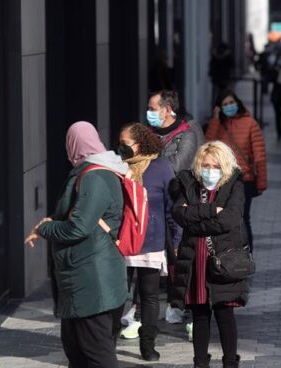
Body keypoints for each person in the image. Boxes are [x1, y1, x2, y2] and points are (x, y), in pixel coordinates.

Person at [24, 121, 128, 367]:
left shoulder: (95, 176)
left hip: (92, 283)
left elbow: (78, 227)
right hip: (86, 280)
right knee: (78, 352)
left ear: (73, 145)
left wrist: (44, 228)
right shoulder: (94, 172)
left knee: (97, 355)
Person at [169, 141, 250, 368]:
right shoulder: (190, 184)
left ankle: (230, 362)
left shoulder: (234, 186)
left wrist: (196, 223)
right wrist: (211, 210)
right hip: (195, 260)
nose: (209, 170)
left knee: (225, 316)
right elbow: (179, 213)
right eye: (205, 165)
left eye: (215, 166)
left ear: (224, 167)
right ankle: (200, 363)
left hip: (222, 260)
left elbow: (231, 219)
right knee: (200, 316)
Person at [117, 123, 183, 361]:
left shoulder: (161, 168)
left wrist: (176, 239)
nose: (121, 148)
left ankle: (148, 345)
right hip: (121, 241)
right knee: (116, 294)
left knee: (149, 295)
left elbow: (171, 207)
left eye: (125, 144)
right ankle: (108, 341)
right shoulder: (119, 167)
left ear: (140, 143)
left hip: (151, 241)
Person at [146, 90, 204, 328]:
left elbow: (175, 167)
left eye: (152, 108)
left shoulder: (186, 136)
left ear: (167, 110)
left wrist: (147, 164)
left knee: (177, 255)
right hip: (151, 203)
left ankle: (177, 303)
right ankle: (139, 308)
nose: (148, 113)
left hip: (177, 203)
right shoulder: (146, 133)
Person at [206, 89, 268, 252]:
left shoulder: (250, 123)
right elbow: (208, 147)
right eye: (225, 105)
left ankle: (246, 255)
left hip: (244, 179)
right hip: (223, 181)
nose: (229, 107)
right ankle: (228, 255)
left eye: (231, 103)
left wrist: (261, 182)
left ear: (238, 103)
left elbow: (259, 154)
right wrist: (215, 119)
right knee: (223, 218)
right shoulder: (219, 124)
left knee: (242, 218)